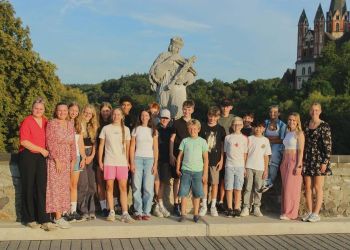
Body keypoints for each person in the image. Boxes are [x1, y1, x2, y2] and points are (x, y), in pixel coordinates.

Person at [18, 98, 55, 231]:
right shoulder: (27, 121)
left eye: (41, 109)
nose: (38, 110)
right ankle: (29, 218)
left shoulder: (46, 121)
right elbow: (24, 141)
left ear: (44, 110)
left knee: (41, 187)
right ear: (32, 109)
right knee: (28, 187)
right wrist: (41, 150)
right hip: (28, 156)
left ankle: (44, 218)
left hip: (41, 157)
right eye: (36, 108)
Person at [98, 108, 134, 223]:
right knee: (109, 187)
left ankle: (125, 213)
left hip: (122, 162)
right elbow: (101, 146)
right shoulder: (106, 128)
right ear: (111, 116)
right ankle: (111, 211)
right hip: (109, 161)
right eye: (114, 114)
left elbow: (128, 147)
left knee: (123, 187)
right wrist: (100, 161)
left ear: (122, 116)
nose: (116, 116)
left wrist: (128, 161)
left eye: (118, 114)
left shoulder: (127, 129)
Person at [149, 37, 197, 119]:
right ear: (170, 45)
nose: (176, 49)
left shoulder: (182, 59)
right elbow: (155, 74)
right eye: (175, 46)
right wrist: (169, 61)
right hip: (164, 87)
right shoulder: (163, 56)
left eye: (178, 48)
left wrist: (185, 78)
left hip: (178, 89)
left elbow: (192, 75)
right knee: (163, 113)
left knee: (178, 114)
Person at [46, 102, 76, 229]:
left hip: (67, 159)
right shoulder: (52, 123)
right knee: (55, 188)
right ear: (56, 111)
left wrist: (73, 159)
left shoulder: (70, 124)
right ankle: (57, 217)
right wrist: (56, 159)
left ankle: (61, 214)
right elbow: (49, 142)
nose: (62, 113)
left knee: (64, 187)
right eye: (60, 110)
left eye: (64, 110)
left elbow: (73, 143)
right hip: (56, 160)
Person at [302, 102, 332, 222]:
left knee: (318, 187)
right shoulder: (305, 124)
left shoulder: (324, 126)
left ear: (320, 111)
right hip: (308, 159)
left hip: (319, 160)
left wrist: (325, 162)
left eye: (316, 110)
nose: (314, 112)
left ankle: (316, 213)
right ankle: (309, 212)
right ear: (310, 111)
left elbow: (328, 146)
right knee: (307, 187)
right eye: (312, 110)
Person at [176, 119, 209, 223]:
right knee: (183, 193)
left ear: (198, 129)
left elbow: (206, 159)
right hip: (185, 171)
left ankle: (195, 214)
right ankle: (183, 214)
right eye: (190, 128)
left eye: (194, 128)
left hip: (198, 172)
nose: (192, 130)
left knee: (197, 194)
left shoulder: (202, 141)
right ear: (188, 129)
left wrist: (205, 173)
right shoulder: (185, 141)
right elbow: (180, 156)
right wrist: (177, 168)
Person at [130, 109, 159, 220]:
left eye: (146, 115)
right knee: (136, 186)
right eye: (142, 115)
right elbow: (132, 147)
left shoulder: (153, 131)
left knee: (148, 187)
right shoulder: (136, 129)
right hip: (137, 159)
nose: (144, 117)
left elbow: (155, 148)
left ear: (149, 117)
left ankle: (146, 212)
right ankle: (138, 211)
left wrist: (155, 164)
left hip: (149, 160)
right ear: (140, 117)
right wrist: (132, 162)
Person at [169, 100, 195, 216]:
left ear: (192, 110)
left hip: (190, 156)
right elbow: (172, 139)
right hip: (177, 154)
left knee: (188, 181)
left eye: (189, 109)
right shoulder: (177, 123)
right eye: (185, 109)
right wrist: (171, 154)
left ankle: (185, 203)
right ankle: (176, 203)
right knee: (177, 180)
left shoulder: (195, 123)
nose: (186, 111)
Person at [240, 121, 271, 217]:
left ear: (264, 129)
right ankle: (246, 207)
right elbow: (245, 153)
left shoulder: (266, 140)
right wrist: (244, 167)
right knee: (248, 188)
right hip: (249, 166)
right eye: (256, 127)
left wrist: (266, 170)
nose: (258, 129)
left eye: (260, 127)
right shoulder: (249, 139)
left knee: (258, 188)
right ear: (253, 128)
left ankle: (256, 207)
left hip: (260, 168)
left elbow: (266, 156)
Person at [199, 106, 225, 217]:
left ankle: (213, 205)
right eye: (210, 115)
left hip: (215, 160)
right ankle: (204, 205)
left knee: (215, 183)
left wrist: (222, 159)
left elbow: (223, 145)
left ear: (218, 117)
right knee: (204, 182)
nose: (212, 118)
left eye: (214, 116)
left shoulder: (221, 129)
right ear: (207, 115)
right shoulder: (203, 127)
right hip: (203, 160)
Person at [280, 113, 305, 220]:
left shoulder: (299, 133)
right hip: (285, 160)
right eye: (290, 120)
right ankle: (285, 210)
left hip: (294, 160)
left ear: (297, 121)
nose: (291, 122)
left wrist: (299, 165)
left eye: (294, 120)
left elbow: (301, 150)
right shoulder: (287, 132)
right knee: (285, 187)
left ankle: (291, 213)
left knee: (292, 188)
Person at [77, 104, 98, 220]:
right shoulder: (78, 124)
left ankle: (91, 210)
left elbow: (95, 143)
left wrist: (92, 155)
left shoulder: (93, 126)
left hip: (91, 154)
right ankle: (82, 209)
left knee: (92, 185)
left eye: (90, 113)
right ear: (82, 112)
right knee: (83, 184)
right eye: (86, 112)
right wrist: (84, 156)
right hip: (81, 153)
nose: (87, 115)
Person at [224, 117, 248, 217]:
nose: (236, 126)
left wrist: (244, 167)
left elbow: (245, 153)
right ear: (232, 125)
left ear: (242, 126)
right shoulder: (228, 138)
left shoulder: (244, 138)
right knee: (229, 187)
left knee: (238, 188)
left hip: (240, 166)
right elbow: (225, 152)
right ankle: (230, 207)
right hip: (229, 165)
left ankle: (237, 207)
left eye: (239, 124)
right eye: (234, 124)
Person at [66, 102, 85, 222]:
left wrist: (83, 157)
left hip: (77, 157)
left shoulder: (79, 125)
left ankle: (73, 210)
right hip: (65, 158)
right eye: (72, 110)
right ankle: (64, 211)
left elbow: (80, 142)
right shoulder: (63, 123)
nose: (74, 112)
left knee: (73, 185)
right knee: (65, 185)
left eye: (76, 111)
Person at [261, 105, 287, 192]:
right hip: (265, 145)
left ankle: (270, 181)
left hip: (277, 146)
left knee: (274, 155)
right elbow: (261, 135)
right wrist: (272, 139)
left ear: (278, 113)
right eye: (271, 112)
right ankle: (262, 179)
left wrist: (267, 139)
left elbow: (282, 139)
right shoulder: (265, 122)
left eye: (275, 112)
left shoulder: (282, 125)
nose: (273, 114)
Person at [153, 109, 172, 218]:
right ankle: (158, 205)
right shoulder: (155, 129)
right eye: (162, 118)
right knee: (156, 182)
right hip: (155, 159)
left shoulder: (171, 130)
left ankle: (159, 204)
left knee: (163, 182)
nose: (164, 120)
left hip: (166, 160)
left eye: (166, 118)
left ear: (169, 119)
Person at [217, 98, 235, 212]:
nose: (225, 108)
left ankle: (230, 201)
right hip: (219, 148)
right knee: (220, 177)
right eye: (223, 105)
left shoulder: (234, 118)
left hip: (232, 150)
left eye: (227, 106)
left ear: (231, 107)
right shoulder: (217, 117)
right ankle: (219, 201)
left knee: (229, 178)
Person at [96, 102, 112, 217]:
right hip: (100, 156)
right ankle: (103, 207)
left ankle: (112, 206)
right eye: (103, 111)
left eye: (107, 110)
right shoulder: (97, 125)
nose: (105, 113)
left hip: (111, 156)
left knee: (111, 184)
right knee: (101, 183)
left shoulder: (114, 123)